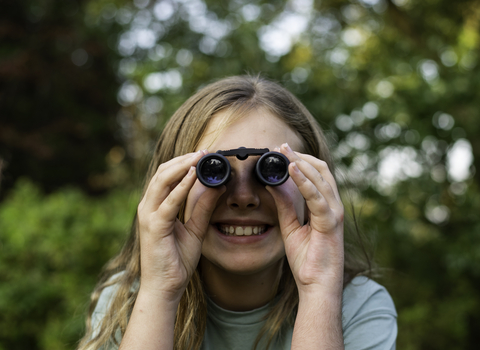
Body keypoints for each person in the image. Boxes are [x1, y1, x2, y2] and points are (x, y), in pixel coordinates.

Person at [77, 75, 397, 350]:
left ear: (312, 186)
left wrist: (319, 288)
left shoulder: (356, 306)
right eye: (213, 172)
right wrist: (160, 289)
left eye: (272, 170)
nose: (243, 198)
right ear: (172, 187)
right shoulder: (131, 301)